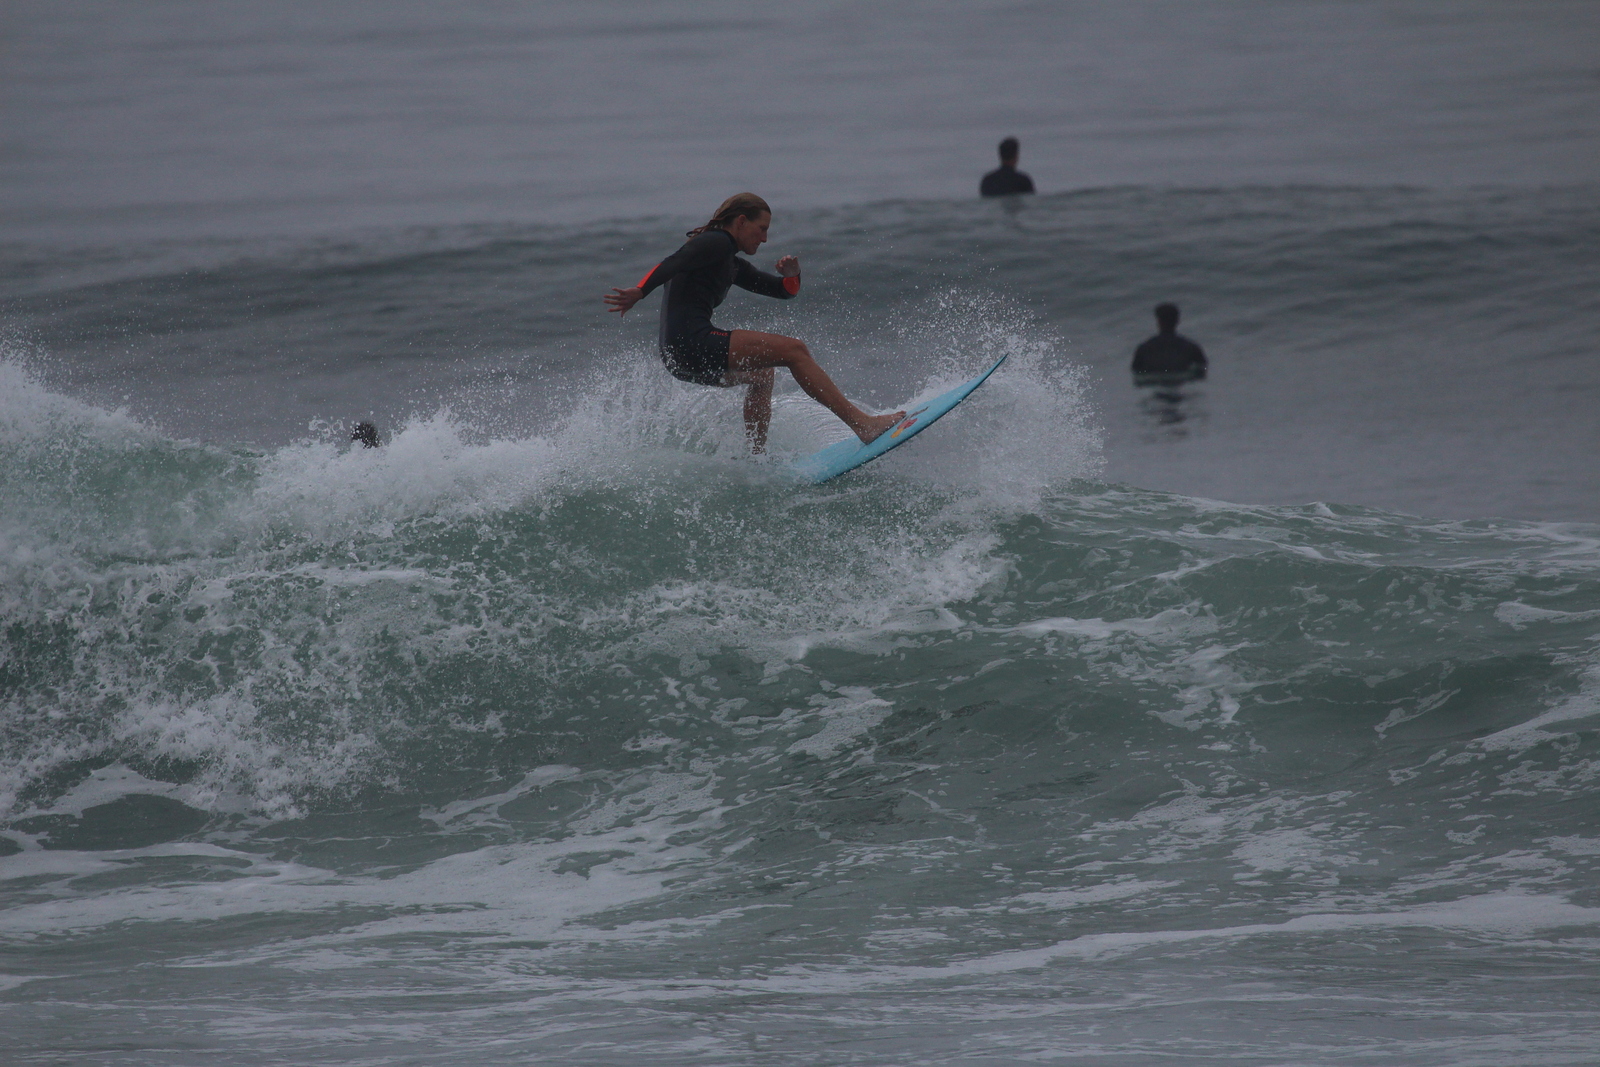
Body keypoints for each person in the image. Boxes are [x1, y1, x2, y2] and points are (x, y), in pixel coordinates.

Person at [604, 192, 903, 453]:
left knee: (762, 376)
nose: (765, 238)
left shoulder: (730, 262)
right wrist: (641, 291)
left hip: (677, 357)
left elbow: (780, 292)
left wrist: (793, 276)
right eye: (761, 229)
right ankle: (861, 424)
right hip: (692, 342)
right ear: (741, 221)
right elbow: (674, 262)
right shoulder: (716, 242)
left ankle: (756, 458)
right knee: (795, 350)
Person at [1131, 303, 1208, 388]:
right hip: (1181, 382)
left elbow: (1136, 372)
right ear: (1178, 320)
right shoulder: (1191, 347)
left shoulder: (1144, 348)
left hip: (1153, 383)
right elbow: (1202, 370)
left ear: (1158, 321)